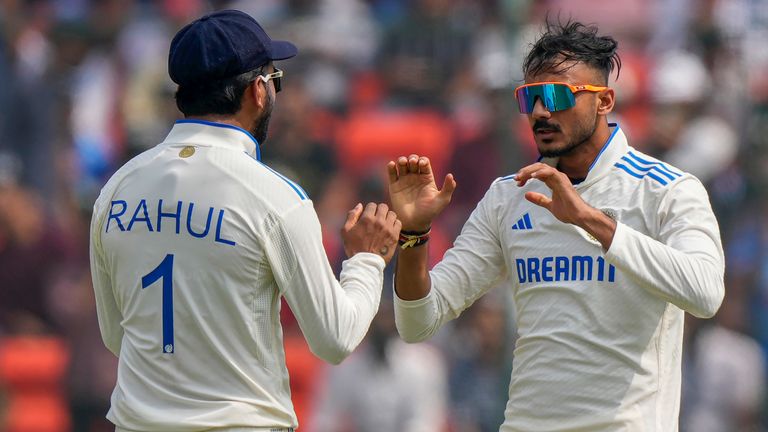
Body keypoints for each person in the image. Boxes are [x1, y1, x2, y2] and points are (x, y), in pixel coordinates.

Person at [387, 20, 725, 431]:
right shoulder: (507, 197)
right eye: (530, 97)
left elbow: (706, 293)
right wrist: (414, 237)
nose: (542, 112)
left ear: (604, 102)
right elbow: (418, 322)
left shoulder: (666, 190)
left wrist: (587, 219)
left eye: (557, 96)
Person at [89, 9, 401, 432]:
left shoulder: (117, 188)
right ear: (258, 90)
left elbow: (116, 335)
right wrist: (366, 260)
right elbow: (335, 339)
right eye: (276, 81)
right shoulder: (274, 197)